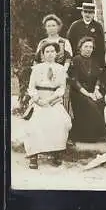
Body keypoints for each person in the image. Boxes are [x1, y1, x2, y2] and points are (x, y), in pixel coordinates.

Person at [23, 41, 72, 169]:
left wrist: (50, 100)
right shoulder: (37, 68)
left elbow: (61, 88)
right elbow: (31, 87)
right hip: (38, 99)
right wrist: (37, 99)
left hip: (53, 100)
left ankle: (55, 152)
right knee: (36, 123)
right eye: (47, 52)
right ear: (43, 54)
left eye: (52, 51)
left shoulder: (61, 69)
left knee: (62, 121)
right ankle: (33, 155)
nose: (50, 54)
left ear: (56, 53)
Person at [69, 37, 106, 143]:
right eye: (86, 46)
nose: (88, 49)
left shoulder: (95, 60)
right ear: (80, 48)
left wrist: (96, 90)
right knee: (90, 103)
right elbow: (74, 81)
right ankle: (85, 137)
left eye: (90, 47)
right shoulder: (75, 60)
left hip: (92, 90)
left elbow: (99, 77)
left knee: (101, 102)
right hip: (78, 91)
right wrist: (88, 94)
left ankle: (96, 135)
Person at [35, 14, 73, 114]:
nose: (51, 28)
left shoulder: (64, 42)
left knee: (59, 104)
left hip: (60, 74)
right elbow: (37, 60)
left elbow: (68, 59)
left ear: (58, 27)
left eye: (53, 25)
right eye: (48, 26)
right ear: (45, 28)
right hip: (44, 77)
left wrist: (63, 72)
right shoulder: (42, 43)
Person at [67, 3, 106, 70]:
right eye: (85, 12)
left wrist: (101, 63)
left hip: (93, 59)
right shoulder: (75, 25)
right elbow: (69, 43)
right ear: (82, 13)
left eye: (90, 12)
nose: (87, 14)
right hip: (78, 59)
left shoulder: (98, 26)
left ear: (94, 14)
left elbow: (101, 46)